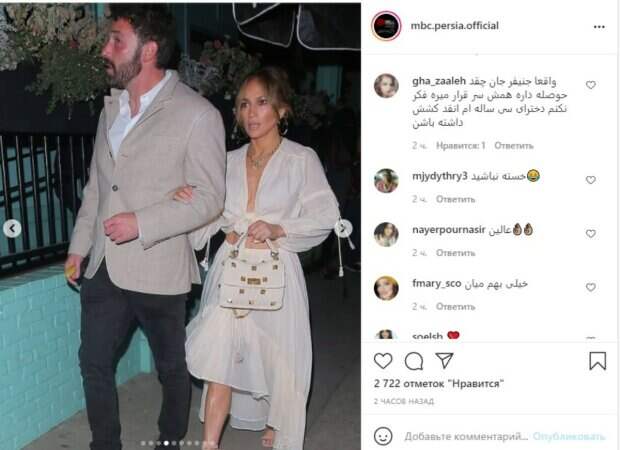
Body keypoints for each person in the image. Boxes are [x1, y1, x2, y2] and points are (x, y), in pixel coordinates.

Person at [63, 6, 226, 450]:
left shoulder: (197, 114)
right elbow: (97, 188)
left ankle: (170, 439)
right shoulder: (110, 111)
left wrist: (143, 222)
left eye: (117, 40)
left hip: (159, 265)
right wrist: (79, 247)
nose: (105, 49)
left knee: (170, 368)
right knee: (93, 362)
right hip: (103, 265)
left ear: (149, 50)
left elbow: (210, 197)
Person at [176, 67, 340, 450]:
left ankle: (276, 424)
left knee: (278, 359)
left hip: (276, 275)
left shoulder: (301, 159)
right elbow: (211, 212)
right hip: (231, 271)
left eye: (262, 102)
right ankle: (210, 444)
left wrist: (279, 228)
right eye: (244, 104)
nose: (251, 113)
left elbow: (325, 215)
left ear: (282, 110)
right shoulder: (227, 161)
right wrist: (196, 205)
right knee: (219, 361)